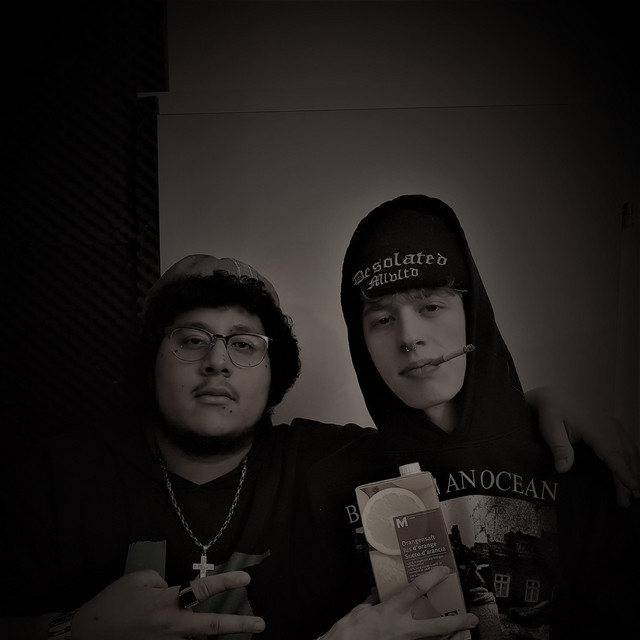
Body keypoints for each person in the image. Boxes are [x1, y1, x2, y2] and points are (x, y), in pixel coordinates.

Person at [0, 253, 635, 640]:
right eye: (192, 339)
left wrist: (529, 410)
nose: (218, 361)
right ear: (149, 361)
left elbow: (455, 447)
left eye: (244, 343)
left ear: (274, 373)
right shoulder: (57, 475)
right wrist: (73, 631)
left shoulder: (332, 463)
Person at [305, 194, 639, 638]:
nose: (409, 338)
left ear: (472, 314)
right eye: (382, 319)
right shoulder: (331, 483)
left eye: (431, 306)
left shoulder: (575, 458)